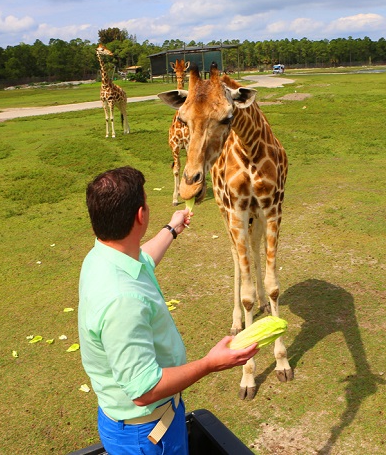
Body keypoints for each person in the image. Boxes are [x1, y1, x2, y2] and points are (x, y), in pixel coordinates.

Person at [78, 166, 258, 454]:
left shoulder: (102, 255)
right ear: (140, 215)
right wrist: (210, 363)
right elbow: (144, 390)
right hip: (147, 435)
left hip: (152, 421)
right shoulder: (123, 300)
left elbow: (141, 261)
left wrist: (172, 229)